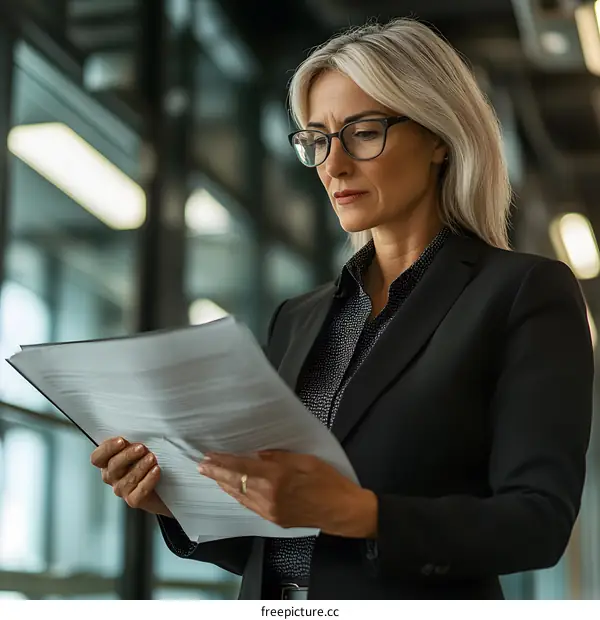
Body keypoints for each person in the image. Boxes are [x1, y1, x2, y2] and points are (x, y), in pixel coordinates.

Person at [90, 18, 594, 600]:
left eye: (363, 132)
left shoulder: (522, 293)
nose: (334, 165)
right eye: (318, 139)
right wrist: (172, 502)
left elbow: (537, 524)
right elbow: (278, 544)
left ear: (439, 137)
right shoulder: (299, 318)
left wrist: (364, 514)